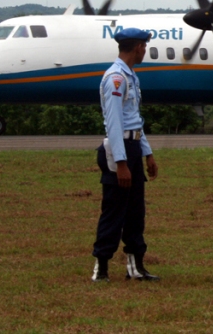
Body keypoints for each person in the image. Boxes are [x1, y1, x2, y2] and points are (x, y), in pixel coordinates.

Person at [91, 27, 160, 282]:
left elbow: (134, 121)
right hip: (117, 150)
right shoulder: (116, 78)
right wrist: (121, 163)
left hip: (132, 147)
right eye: (144, 46)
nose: (145, 50)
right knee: (114, 211)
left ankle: (135, 267)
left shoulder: (131, 76)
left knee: (135, 212)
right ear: (138, 47)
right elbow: (115, 123)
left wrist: (147, 153)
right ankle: (101, 268)